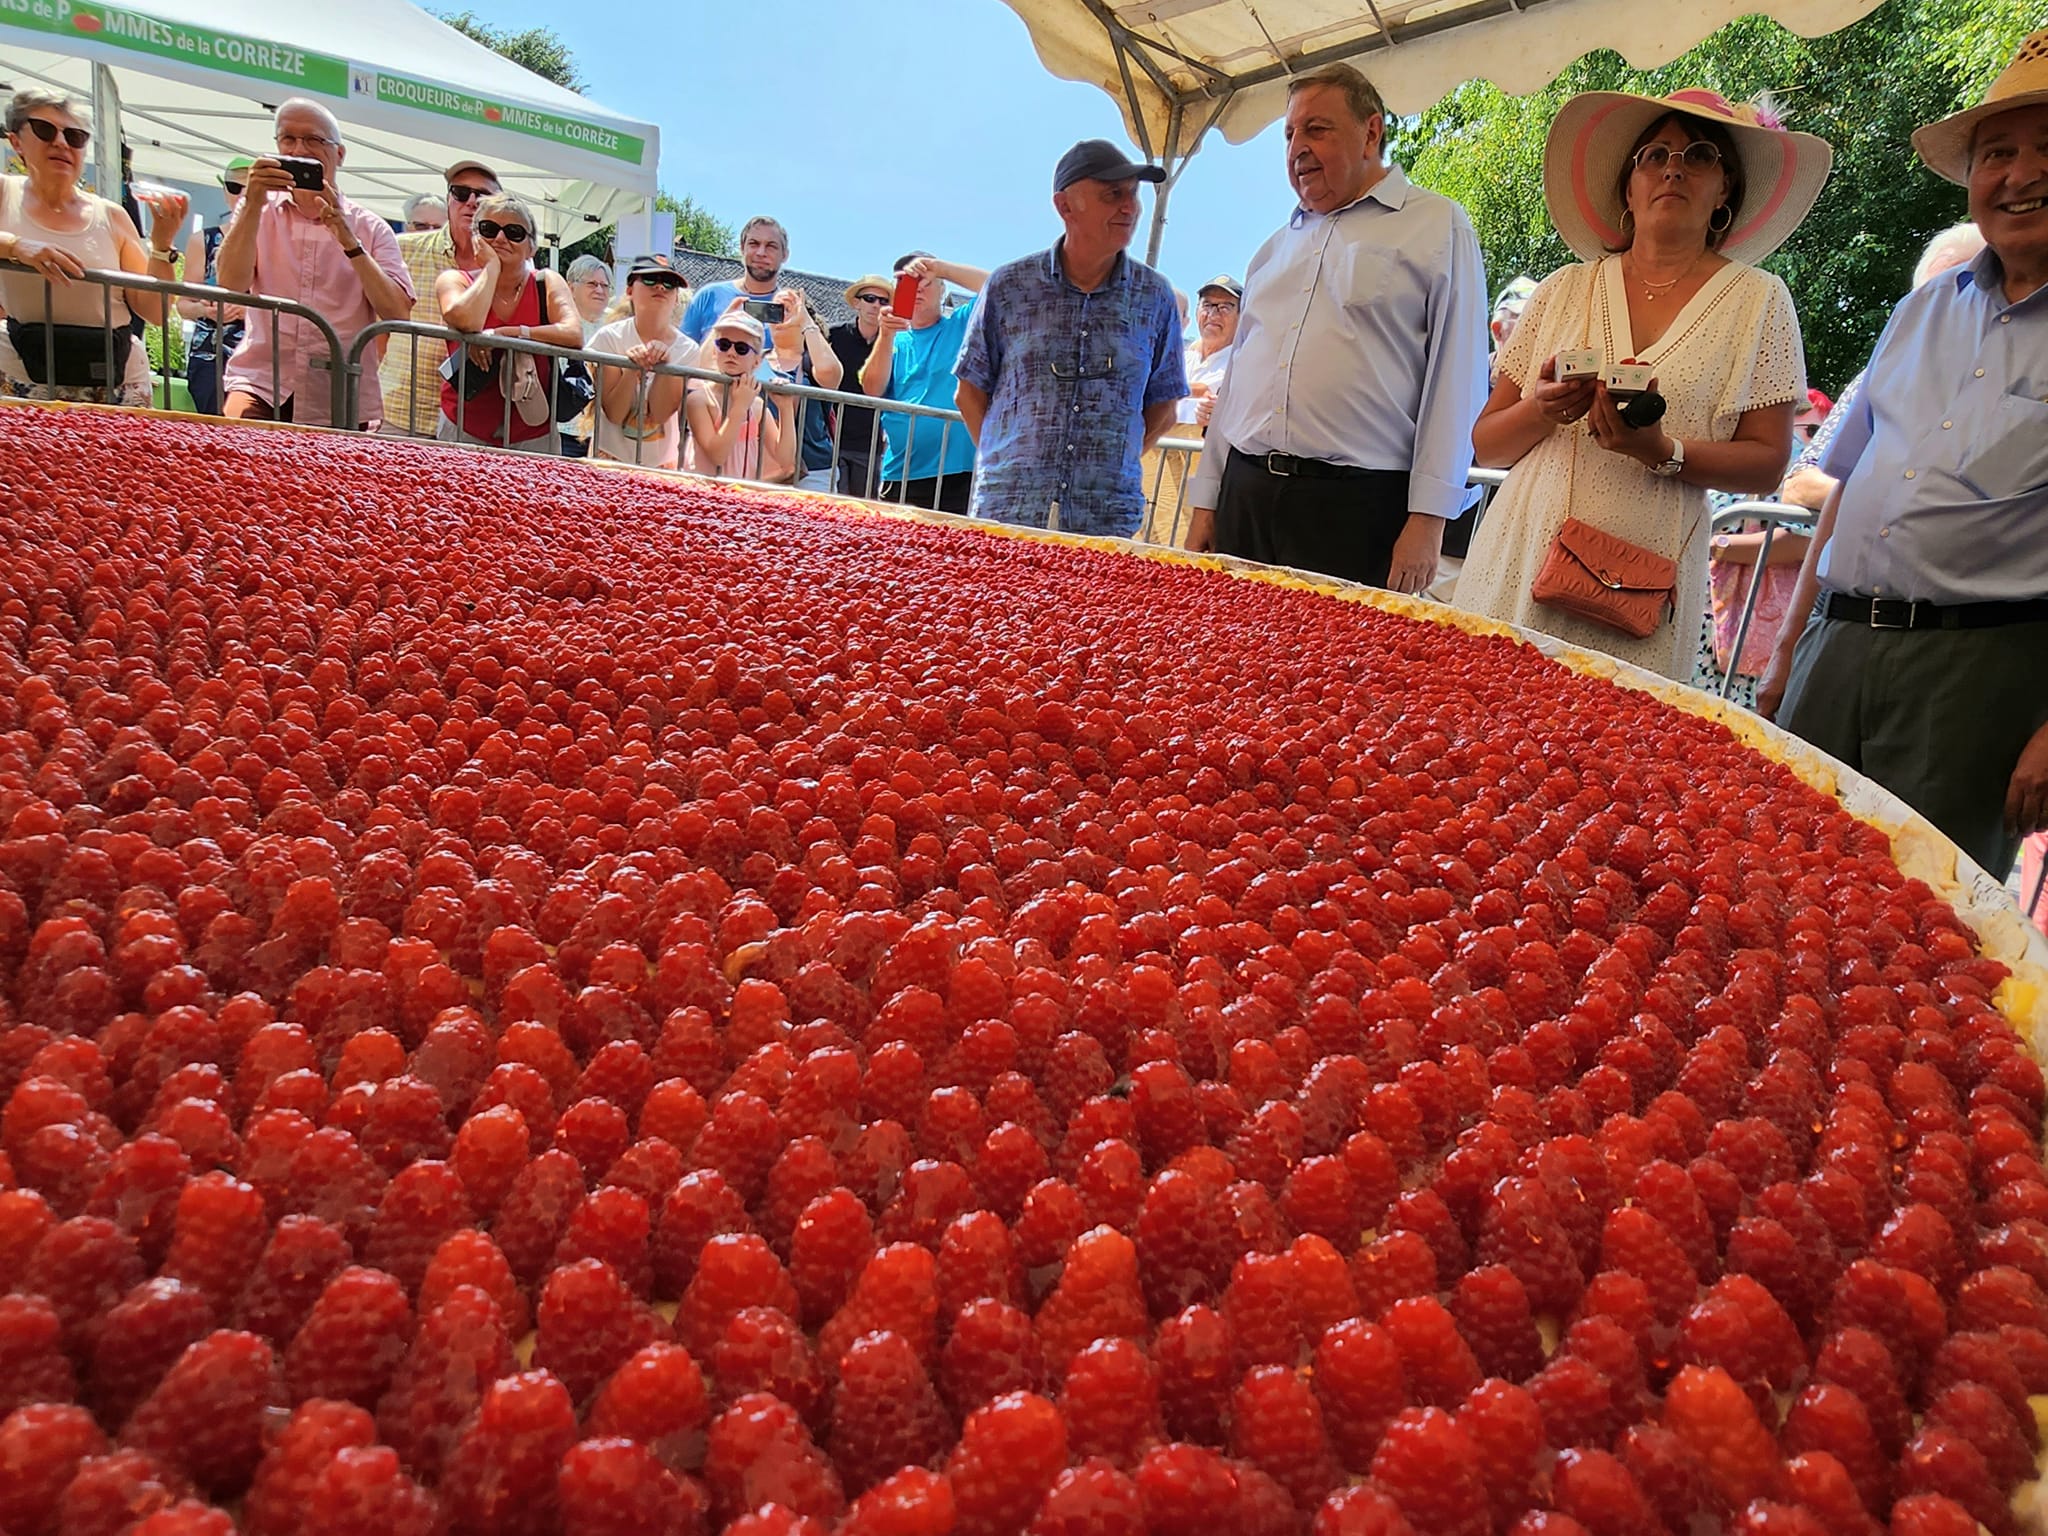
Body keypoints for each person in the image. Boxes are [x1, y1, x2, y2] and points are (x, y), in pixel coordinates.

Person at [1760, 30, 2048, 878]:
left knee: (1919, 912)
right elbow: (1847, 485)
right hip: (1837, 645)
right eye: (1998, 152)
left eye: (2047, 149)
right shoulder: (1922, 310)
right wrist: (1786, 649)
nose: (2020, 173)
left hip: (1977, 673)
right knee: (1780, 867)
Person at [1457, 88, 1825, 679]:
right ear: (1628, 187)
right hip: (1520, 557)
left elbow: (1767, 464)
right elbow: (1487, 444)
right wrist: (1544, 410)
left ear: (1725, 187)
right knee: (1482, 734)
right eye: (1654, 155)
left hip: (1645, 583)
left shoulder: (1759, 301)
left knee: (1612, 759)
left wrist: (1663, 452)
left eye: (1700, 155)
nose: (1673, 168)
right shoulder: (1561, 289)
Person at [1183, 63, 1490, 591]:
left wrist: (1428, 520)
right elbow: (1235, 389)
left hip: (1358, 510)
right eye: (1288, 134)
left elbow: (1456, 383)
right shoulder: (1272, 251)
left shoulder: (1437, 226)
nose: (1296, 147)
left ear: (1372, 132)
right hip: (1246, 496)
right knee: (1229, 665)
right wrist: (1207, 500)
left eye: (1316, 129)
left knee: (1338, 672)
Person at [954, 140, 1184, 537]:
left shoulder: (1155, 297)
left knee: (1103, 604)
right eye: (1113, 194)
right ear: (1064, 206)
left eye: (1134, 194)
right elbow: (969, 391)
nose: (1130, 207)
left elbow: (1164, 406)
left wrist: (1115, 461)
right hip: (1008, 512)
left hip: (1106, 519)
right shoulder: (1009, 286)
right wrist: (1007, 461)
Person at [217, 99, 411, 429]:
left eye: (314, 140)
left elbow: (398, 312)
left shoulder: (371, 227)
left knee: (329, 481)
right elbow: (230, 285)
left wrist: (349, 241)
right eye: (287, 139)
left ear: (340, 153)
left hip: (338, 391)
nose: (298, 149)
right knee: (239, 465)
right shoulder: (256, 211)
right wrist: (251, 203)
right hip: (262, 383)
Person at [1778, 222, 1984, 513]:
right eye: (1934, 297)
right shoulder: (1880, 378)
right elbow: (1800, 483)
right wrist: (1895, 507)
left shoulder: (2024, 382)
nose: (1948, 311)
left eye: (1970, 295)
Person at [0, 88, 184, 405]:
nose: (61, 143)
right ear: (16, 141)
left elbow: (155, 311)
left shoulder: (111, 215)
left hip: (115, 379)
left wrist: (162, 243)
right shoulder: (5, 192)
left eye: (75, 136)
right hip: (23, 374)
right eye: (45, 130)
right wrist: (16, 246)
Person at [432, 192, 580, 453]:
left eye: (514, 232)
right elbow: (463, 318)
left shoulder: (546, 282)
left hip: (534, 431)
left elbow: (573, 333)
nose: (500, 239)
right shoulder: (454, 280)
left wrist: (503, 334)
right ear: (476, 236)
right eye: (489, 229)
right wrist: (491, 269)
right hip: (464, 426)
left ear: (531, 247)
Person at [380, 159, 501, 437]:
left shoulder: (510, 263)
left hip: (470, 424)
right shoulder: (403, 248)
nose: (471, 201)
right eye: (460, 193)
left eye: (482, 195)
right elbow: (377, 328)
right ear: (449, 199)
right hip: (401, 412)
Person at [860, 252, 989, 512]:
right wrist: (885, 336)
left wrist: (941, 267)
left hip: (958, 474)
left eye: (926, 282)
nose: (917, 289)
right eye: (908, 282)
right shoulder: (893, 341)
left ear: (942, 289)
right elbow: (872, 388)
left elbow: (997, 286)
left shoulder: (961, 324)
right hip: (902, 474)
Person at [1139, 273, 1240, 543]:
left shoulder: (1242, 364)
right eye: (1207, 305)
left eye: (1225, 307)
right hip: (1152, 483)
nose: (1213, 314)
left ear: (1242, 316)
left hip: (1198, 486)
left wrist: (1220, 414)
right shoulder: (1180, 356)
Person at [590, 254, 697, 469]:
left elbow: (659, 413)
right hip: (609, 459)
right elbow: (615, 414)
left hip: (661, 465)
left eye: (669, 283)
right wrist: (631, 370)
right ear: (629, 291)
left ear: (677, 297)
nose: (660, 287)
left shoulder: (688, 350)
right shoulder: (608, 338)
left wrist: (665, 367)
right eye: (649, 279)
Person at [685, 311, 798, 481]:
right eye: (724, 345)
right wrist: (739, 407)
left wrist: (785, 408)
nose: (731, 353)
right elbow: (717, 455)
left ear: (757, 361)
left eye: (741, 348)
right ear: (715, 352)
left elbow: (785, 460)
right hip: (701, 493)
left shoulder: (757, 405)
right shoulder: (699, 399)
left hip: (737, 496)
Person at [179, 154, 252, 416]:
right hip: (210, 358)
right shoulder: (203, 240)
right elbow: (183, 305)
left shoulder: (273, 242)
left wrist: (248, 312)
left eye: (250, 188)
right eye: (235, 187)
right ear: (225, 191)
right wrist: (205, 310)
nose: (242, 194)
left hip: (256, 360)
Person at [764, 286, 844, 491]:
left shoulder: (812, 361)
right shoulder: (754, 357)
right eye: (774, 308)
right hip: (762, 465)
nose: (779, 315)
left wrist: (805, 321)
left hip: (813, 469)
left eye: (787, 309)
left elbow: (832, 375)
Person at [828, 274, 891, 497]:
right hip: (831, 441)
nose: (876, 305)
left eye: (884, 301)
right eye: (870, 298)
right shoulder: (832, 336)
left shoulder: (895, 344)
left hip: (871, 444)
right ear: (856, 303)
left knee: (864, 511)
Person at [680, 216, 789, 343]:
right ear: (742, 248)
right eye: (754, 244)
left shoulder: (791, 309)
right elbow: (683, 355)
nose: (761, 252)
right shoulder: (709, 297)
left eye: (771, 246)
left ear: (785, 255)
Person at [559, 253, 616, 459]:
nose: (599, 290)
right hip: (564, 430)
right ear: (571, 288)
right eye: (592, 284)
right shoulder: (557, 319)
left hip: (605, 435)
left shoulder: (617, 323)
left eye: (605, 285)